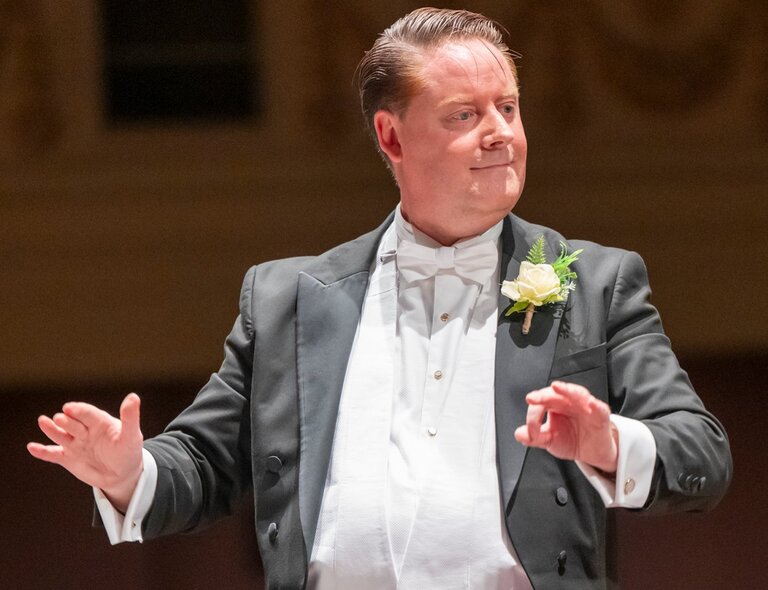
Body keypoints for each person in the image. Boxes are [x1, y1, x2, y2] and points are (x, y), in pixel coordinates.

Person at [28, 7, 732, 590]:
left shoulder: (594, 282)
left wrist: (611, 443)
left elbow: (702, 454)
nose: (499, 132)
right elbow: (206, 462)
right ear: (391, 136)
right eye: (464, 114)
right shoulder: (286, 300)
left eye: (508, 107)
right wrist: (129, 473)